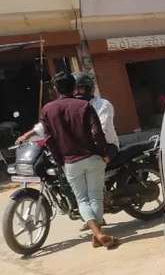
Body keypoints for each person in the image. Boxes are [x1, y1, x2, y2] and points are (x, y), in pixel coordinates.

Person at [39, 72, 118, 249]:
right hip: (93, 158)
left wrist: (60, 160)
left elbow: (49, 139)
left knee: (82, 200)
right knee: (95, 197)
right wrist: (103, 153)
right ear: (74, 87)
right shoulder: (84, 105)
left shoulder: (47, 110)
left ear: (55, 88)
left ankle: (97, 235)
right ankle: (98, 234)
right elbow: (97, 133)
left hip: (70, 161)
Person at [74, 73, 119, 155]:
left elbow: (101, 130)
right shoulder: (73, 108)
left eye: (80, 89)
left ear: (89, 88)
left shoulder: (102, 105)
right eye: (73, 90)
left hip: (106, 146)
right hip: (83, 149)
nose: (76, 93)